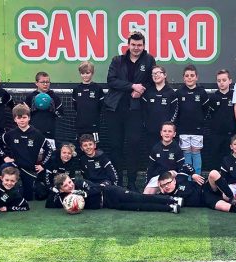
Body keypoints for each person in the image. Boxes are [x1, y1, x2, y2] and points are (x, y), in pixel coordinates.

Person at [105, 31, 156, 191]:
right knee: (115, 146)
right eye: (133, 45)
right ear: (128, 45)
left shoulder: (149, 60)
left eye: (139, 45)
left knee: (133, 146)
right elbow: (111, 81)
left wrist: (141, 90)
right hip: (115, 110)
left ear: (144, 45)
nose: (136, 48)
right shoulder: (117, 60)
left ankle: (132, 182)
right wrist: (132, 86)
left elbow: (152, 81)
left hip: (136, 110)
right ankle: (118, 181)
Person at [0, 104, 53, 201]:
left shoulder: (37, 134)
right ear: (15, 119)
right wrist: (5, 156)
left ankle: (22, 190)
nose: (22, 120)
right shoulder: (10, 134)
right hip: (15, 166)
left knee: (29, 197)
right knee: (4, 167)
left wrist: (42, 165)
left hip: (29, 169)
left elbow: (49, 149)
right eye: (19, 118)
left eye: (24, 117)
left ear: (29, 118)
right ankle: (5, 194)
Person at [45, 174, 182, 214]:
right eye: (66, 185)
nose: (70, 185)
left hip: (111, 192)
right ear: (61, 189)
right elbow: (49, 204)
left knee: (139, 197)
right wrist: (56, 191)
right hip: (109, 204)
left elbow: (97, 188)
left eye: (69, 181)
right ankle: (170, 208)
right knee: (139, 207)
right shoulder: (64, 197)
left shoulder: (79, 182)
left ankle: (171, 199)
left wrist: (82, 194)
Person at [157, 171, 236, 217]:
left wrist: (193, 174)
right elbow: (156, 199)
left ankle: (231, 197)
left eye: (168, 183)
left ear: (174, 180)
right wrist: (160, 187)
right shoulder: (167, 197)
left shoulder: (179, 178)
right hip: (206, 200)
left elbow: (175, 171)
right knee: (224, 207)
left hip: (207, 187)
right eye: (163, 185)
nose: (166, 186)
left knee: (213, 173)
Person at [143, 122, 196, 195]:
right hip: (158, 178)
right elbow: (150, 168)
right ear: (161, 133)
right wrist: (148, 182)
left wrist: (190, 175)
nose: (167, 133)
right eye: (165, 131)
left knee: (170, 174)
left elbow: (182, 167)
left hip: (171, 178)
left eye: (170, 131)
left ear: (174, 134)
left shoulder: (177, 149)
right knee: (146, 195)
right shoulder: (155, 148)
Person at [176, 64, 210, 175]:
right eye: (187, 76)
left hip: (197, 129)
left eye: (192, 75)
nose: (189, 78)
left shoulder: (201, 92)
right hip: (183, 129)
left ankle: (197, 178)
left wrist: (200, 122)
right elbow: (177, 111)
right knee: (186, 152)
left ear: (197, 77)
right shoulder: (180, 92)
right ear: (183, 78)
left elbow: (206, 110)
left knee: (196, 152)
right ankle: (188, 179)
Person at [141, 65, 178, 150]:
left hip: (166, 133)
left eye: (158, 73)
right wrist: (146, 124)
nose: (156, 75)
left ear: (165, 75)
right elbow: (143, 111)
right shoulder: (148, 92)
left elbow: (175, 111)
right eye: (153, 74)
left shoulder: (171, 93)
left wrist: (168, 128)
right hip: (150, 131)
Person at [25, 71, 63, 149]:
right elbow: (23, 116)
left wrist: (54, 111)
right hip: (33, 132)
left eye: (47, 82)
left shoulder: (54, 97)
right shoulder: (30, 97)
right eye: (43, 82)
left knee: (50, 155)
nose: (45, 84)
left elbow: (61, 114)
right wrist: (30, 110)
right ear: (36, 83)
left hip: (49, 132)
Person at [208, 69, 236, 170]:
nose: (221, 83)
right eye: (219, 80)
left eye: (224, 80)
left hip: (232, 133)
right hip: (217, 134)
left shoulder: (235, 95)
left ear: (230, 81)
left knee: (232, 158)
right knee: (217, 158)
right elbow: (210, 115)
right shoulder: (213, 97)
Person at [72, 61, 104, 144]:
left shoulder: (97, 88)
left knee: (95, 145)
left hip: (94, 125)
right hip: (80, 125)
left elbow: (101, 106)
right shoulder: (76, 89)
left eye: (87, 73)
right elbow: (75, 106)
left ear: (92, 73)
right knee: (80, 146)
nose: (85, 75)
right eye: (82, 73)